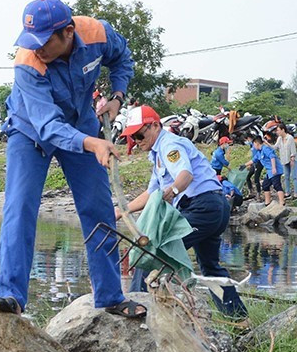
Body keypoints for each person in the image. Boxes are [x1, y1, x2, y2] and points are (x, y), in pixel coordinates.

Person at [0, 0, 145, 319]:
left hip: (81, 122)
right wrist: (93, 143)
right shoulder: (27, 62)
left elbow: (122, 58)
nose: (38, 48)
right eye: (32, 41)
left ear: (68, 32)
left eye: (44, 41)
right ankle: (12, 297)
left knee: (98, 207)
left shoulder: (98, 33)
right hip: (30, 130)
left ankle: (111, 296)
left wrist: (117, 96)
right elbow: (46, 125)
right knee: (20, 207)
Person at [121, 105, 246, 316]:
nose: (137, 141)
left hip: (203, 206)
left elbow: (185, 174)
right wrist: (121, 211)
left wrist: (174, 190)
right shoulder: (157, 154)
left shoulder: (169, 144)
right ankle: (238, 318)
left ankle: (138, 307)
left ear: (154, 126)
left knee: (152, 251)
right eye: (132, 137)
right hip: (215, 207)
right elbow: (152, 193)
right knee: (210, 267)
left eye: (139, 134)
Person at [253, 133, 285, 206]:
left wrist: (274, 168)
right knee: (265, 185)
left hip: (274, 170)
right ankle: (267, 203)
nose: (254, 146)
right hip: (269, 172)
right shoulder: (259, 152)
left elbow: (272, 157)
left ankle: (282, 202)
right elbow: (253, 160)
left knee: (276, 185)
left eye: (254, 144)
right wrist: (244, 165)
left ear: (256, 143)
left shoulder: (265, 149)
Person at [275, 123, 296, 198]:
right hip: (284, 160)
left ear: (283, 130)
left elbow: (293, 150)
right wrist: (266, 143)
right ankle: (287, 192)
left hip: (291, 159)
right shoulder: (279, 138)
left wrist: (292, 159)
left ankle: (296, 193)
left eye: (278, 130)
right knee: (286, 176)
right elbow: (275, 147)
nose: (277, 132)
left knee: (294, 176)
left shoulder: (290, 138)